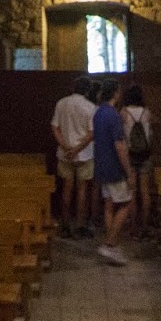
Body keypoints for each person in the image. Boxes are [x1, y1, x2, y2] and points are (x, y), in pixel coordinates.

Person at [90, 78, 133, 266]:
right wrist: (128, 171)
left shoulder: (98, 113)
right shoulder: (113, 115)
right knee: (126, 203)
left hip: (101, 164)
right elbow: (119, 146)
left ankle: (113, 246)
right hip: (115, 166)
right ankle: (109, 244)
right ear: (116, 93)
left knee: (109, 205)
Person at [49, 76, 95, 237]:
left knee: (66, 188)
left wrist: (65, 146)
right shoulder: (90, 107)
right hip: (84, 154)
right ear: (87, 91)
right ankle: (80, 225)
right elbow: (91, 133)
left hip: (65, 153)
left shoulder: (61, 103)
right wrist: (77, 149)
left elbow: (55, 127)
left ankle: (65, 224)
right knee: (82, 189)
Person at [120, 83, 155, 238]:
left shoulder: (124, 112)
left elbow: (121, 135)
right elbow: (150, 133)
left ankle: (133, 226)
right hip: (145, 155)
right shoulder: (147, 112)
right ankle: (145, 226)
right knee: (145, 191)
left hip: (130, 154)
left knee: (132, 191)